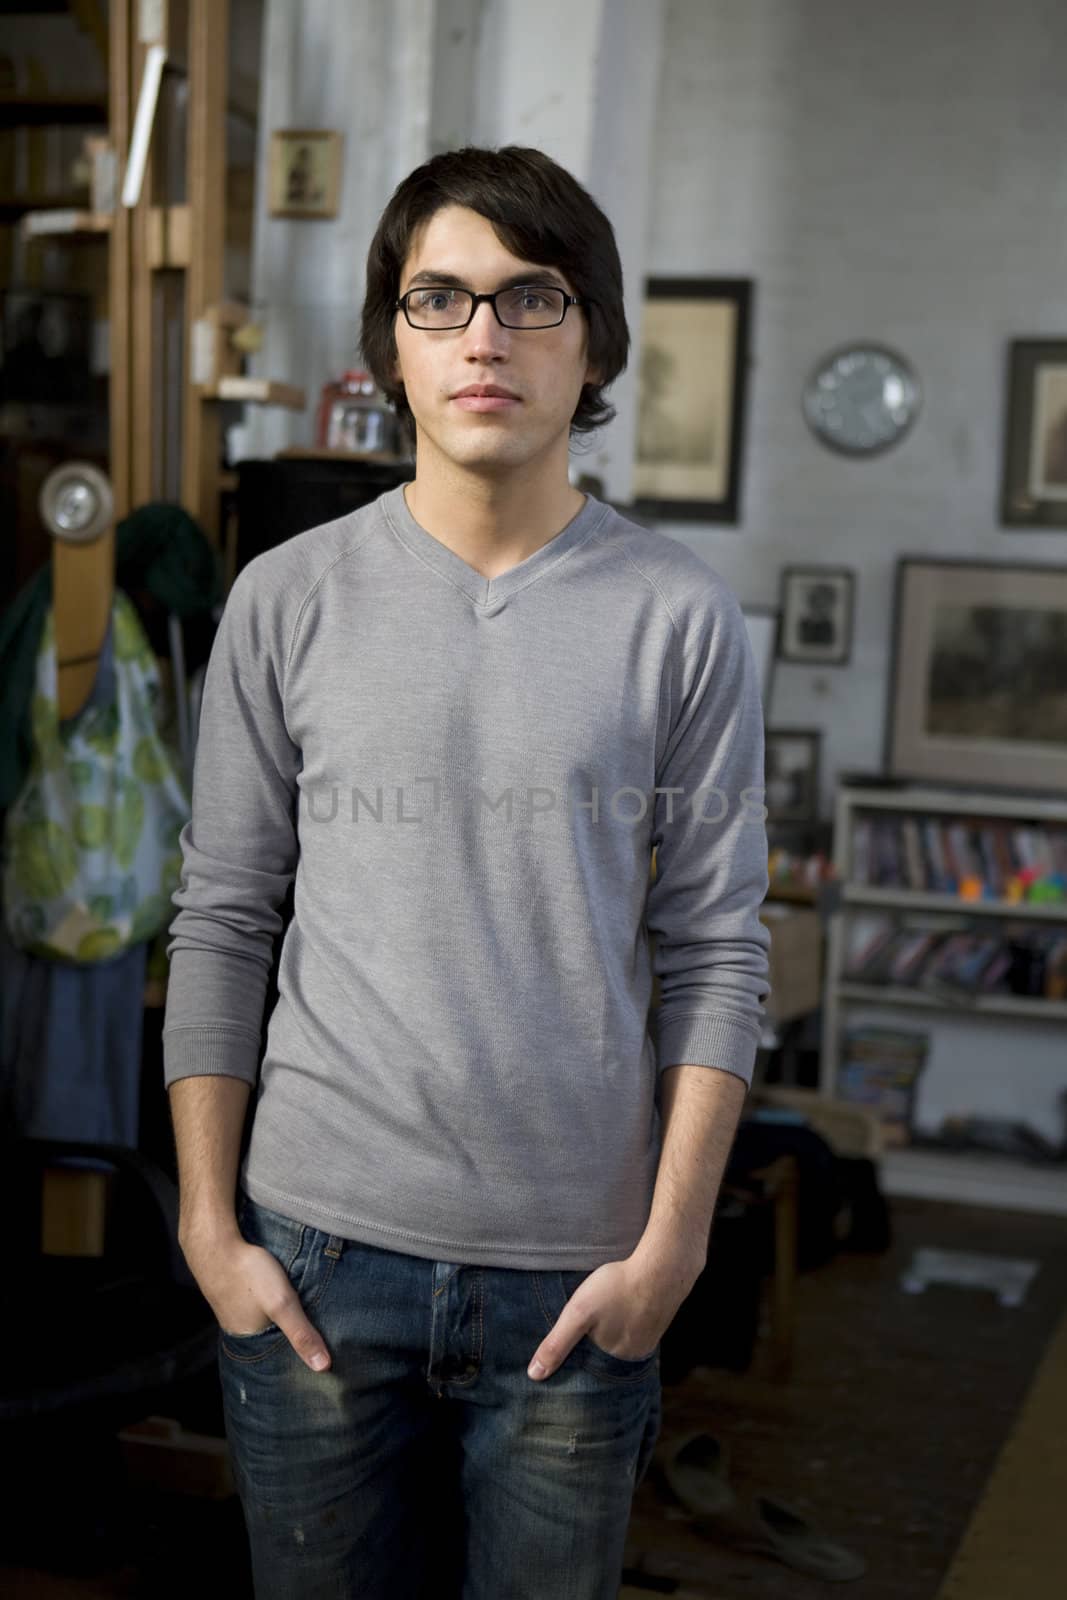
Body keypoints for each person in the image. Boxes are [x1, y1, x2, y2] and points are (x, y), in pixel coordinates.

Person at [163, 143, 771, 1599]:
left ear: (595, 342)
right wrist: (205, 1226)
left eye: (530, 297)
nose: (484, 335)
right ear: (391, 344)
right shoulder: (284, 598)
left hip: (579, 1273)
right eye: (440, 299)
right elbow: (224, 916)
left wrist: (672, 1250)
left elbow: (717, 953)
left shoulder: (680, 621)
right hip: (311, 1259)